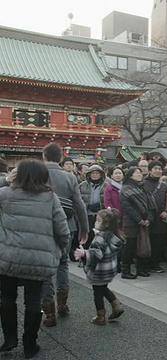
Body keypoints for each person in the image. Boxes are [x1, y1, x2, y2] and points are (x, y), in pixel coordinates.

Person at [0, 160, 70, 358]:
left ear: (18, 175)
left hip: (7, 257)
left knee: (6, 298)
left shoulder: (5, 195)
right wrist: (61, 249)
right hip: (38, 259)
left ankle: (9, 340)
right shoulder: (50, 198)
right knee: (33, 301)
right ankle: (30, 345)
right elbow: (62, 229)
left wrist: (6, 180)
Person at [40, 143, 89, 328]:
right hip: (67, 226)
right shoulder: (69, 177)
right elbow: (79, 205)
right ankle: (62, 303)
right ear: (61, 158)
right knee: (63, 264)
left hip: (42, 226)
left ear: (44, 156)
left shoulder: (37, 174)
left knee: (45, 270)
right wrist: (84, 228)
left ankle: (49, 311)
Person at [73, 208, 125, 325]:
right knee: (103, 289)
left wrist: (84, 254)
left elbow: (96, 254)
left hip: (99, 272)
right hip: (108, 270)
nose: (95, 222)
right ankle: (117, 306)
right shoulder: (111, 236)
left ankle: (100, 316)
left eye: (98, 220)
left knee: (98, 293)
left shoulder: (99, 239)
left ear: (106, 224)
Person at [119, 167, 154, 279]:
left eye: (140, 173)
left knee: (142, 245)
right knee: (130, 247)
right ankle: (125, 270)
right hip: (131, 222)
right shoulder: (125, 189)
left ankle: (141, 269)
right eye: (137, 173)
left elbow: (150, 205)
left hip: (144, 221)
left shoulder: (144, 187)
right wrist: (139, 219)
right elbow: (127, 207)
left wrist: (148, 218)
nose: (140, 175)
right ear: (130, 176)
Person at [143, 161, 167, 273]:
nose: (158, 171)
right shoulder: (143, 184)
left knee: (159, 242)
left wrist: (166, 211)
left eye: (160, 169)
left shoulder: (164, 185)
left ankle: (155, 263)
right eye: (155, 168)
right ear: (150, 170)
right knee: (146, 241)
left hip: (160, 218)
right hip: (147, 217)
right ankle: (145, 264)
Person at [79, 164, 107, 247]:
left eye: (97, 173)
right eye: (93, 173)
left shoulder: (106, 186)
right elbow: (78, 199)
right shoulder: (82, 185)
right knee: (87, 235)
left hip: (100, 215)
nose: (95, 175)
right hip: (87, 214)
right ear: (89, 175)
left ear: (101, 174)